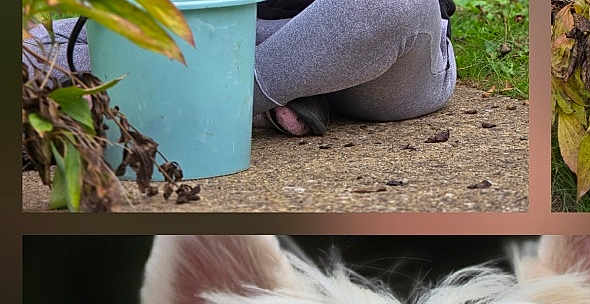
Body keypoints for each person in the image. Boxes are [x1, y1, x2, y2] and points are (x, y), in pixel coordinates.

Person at [25, 0, 456, 137]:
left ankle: (226, 99)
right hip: (231, 30)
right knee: (34, 51)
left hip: (377, 50)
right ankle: (289, 90)